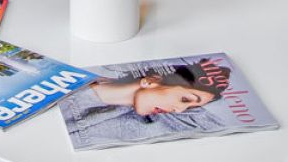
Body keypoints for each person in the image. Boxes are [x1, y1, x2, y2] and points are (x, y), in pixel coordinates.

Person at [62, 60, 230, 147]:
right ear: (151, 81)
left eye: (191, 107)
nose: (179, 110)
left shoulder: (146, 123)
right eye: (185, 100)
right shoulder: (89, 74)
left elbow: (208, 124)